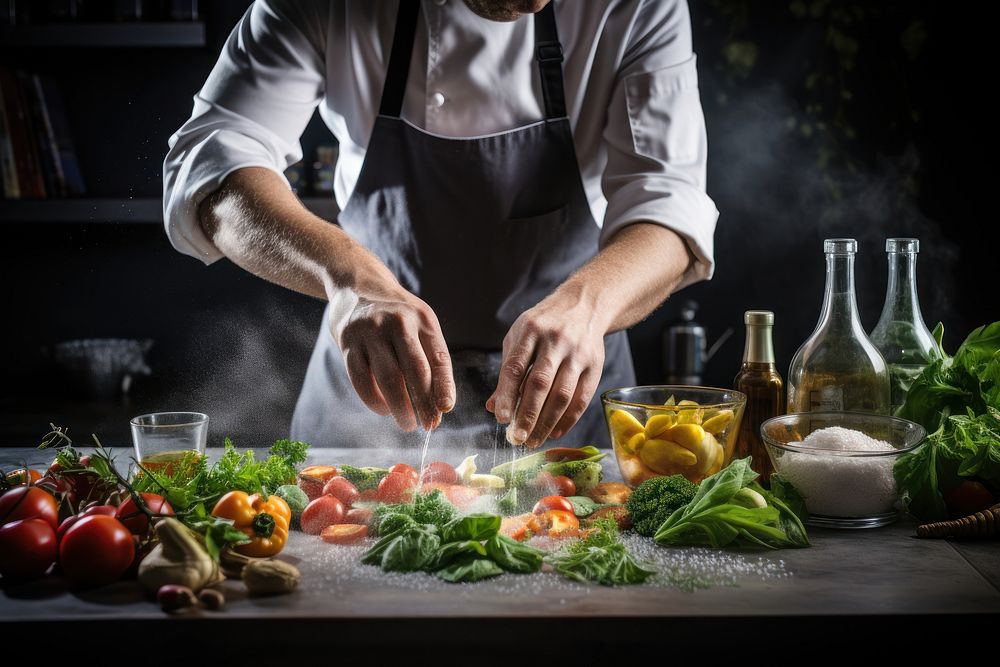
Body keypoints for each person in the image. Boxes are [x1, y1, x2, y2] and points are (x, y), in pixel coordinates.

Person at [162, 0, 718, 450]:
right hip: (370, 400)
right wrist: (352, 282)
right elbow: (215, 162)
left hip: (563, 407)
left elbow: (669, 206)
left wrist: (588, 307)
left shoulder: (640, 6)